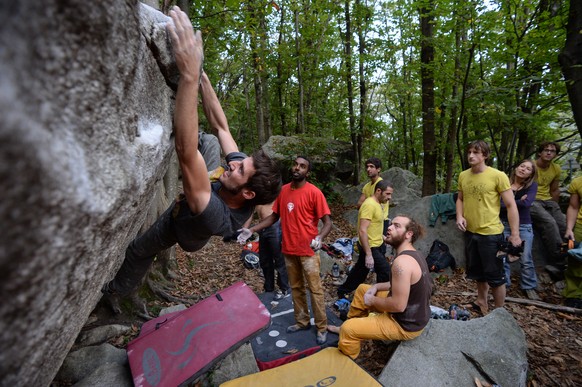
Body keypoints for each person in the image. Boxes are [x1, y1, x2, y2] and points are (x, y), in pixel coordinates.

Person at [101, 7, 282, 310]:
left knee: (138, 251)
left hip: (184, 226)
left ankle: (115, 291)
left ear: (248, 192)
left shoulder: (217, 216)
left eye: (240, 168)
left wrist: (187, 76)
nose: (234, 162)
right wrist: (201, 77)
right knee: (210, 139)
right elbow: (221, 125)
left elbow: (186, 154)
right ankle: (190, 124)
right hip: (210, 187)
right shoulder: (237, 178)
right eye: (240, 160)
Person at [238, 156, 332, 345]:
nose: (297, 168)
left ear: (308, 172)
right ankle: (302, 321)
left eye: (302, 166)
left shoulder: (314, 192)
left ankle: (321, 327)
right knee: (295, 287)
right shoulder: (283, 191)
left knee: (315, 290)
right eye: (296, 164)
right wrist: (252, 229)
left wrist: (320, 237)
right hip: (289, 249)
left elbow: (328, 222)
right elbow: (273, 217)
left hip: (308, 251)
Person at [326, 215, 432, 359]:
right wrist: (376, 286)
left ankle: (348, 356)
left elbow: (398, 306)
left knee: (348, 329)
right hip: (411, 313)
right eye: (391, 224)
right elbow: (400, 284)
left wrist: (373, 301)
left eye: (396, 226)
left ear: (409, 234)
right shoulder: (413, 254)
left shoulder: (402, 263)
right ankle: (352, 325)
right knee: (363, 289)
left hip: (404, 323)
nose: (389, 227)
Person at [456, 140, 522, 314]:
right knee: (478, 273)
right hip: (471, 232)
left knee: (495, 275)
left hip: (491, 234)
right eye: (469, 152)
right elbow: (460, 198)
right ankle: (481, 302)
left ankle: (500, 312)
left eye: (476, 152)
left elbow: (510, 205)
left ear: (485, 155)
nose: (471, 155)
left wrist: (515, 234)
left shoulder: (498, 175)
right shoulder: (463, 175)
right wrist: (459, 216)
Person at [337, 180, 394, 300]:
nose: (390, 197)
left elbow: (374, 226)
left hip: (376, 244)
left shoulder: (378, 204)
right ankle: (381, 298)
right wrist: (368, 254)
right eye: (388, 194)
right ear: (379, 191)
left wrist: (384, 238)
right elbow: (362, 230)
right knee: (385, 272)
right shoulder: (369, 205)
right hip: (370, 247)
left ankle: (343, 291)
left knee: (360, 271)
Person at [500, 160, 540, 300]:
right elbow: (498, 205)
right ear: (517, 167)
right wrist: (518, 202)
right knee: (502, 256)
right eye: (522, 166)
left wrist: (509, 202)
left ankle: (529, 287)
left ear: (531, 174)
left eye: (528, 169)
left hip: (524, 225)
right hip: (502, 224)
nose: (523, 169)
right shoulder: (505, 183)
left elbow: (527, 203)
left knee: (526, 258)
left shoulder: (532, 186)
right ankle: (504, 284)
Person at [531, 141, 567, 272]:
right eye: (546, 150)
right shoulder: (531, 166)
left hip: (548, 200)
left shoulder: (556, 168)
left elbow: (554, 190)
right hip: (532, 200)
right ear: (540, 153)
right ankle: (558, 260)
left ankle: (568, 253)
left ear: (555, 155)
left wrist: (555, 206)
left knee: (563, 224)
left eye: (552, 151)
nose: (549, 152)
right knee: (549, 223)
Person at [256, 202, 290, 300]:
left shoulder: (272, 190)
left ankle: (284, 288)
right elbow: (251, 212)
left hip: (275, 225)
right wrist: (247, 228)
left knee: (279, 259)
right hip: (262, 227)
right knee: (265, 260)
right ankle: (269, 288)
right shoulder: (256, 192)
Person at [562, 176, 582, 309]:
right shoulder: (578, 182)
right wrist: (569, 228)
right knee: (576, 260)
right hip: (580, 225)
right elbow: (574, 207)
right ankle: (573, 295)